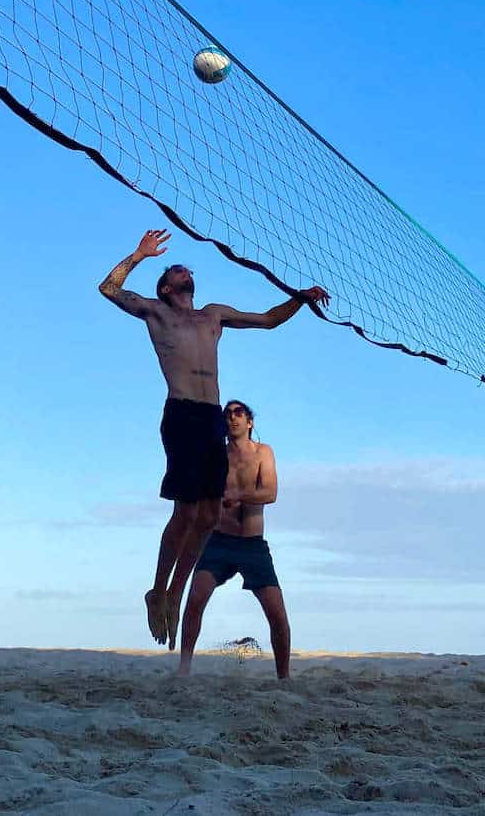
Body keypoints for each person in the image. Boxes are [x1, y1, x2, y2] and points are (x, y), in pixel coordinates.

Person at [98, 229, 328, 649]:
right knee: (186, 512)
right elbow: (109, 288)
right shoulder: (156, 313)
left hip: (210, 419)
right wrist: (139, 254)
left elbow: (269, 320)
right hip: (182, 412)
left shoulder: (213, 315)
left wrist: (302, 298)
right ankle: (157, 589)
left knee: (206, 518)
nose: (185, 269)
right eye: (175, 270)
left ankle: (172, 595)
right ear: (167, 288)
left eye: (186, 268)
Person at [177, 400, 290, 678]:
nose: (232, 418)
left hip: (252, 544)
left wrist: (239, 496)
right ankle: (183, 669)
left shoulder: (263, 453)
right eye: (227, 415)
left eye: (238, 413)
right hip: (218, 540)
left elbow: (270, 493)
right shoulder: (217, 456)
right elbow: (199, 492)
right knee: (195, 600)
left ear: (249, 422)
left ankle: (284, 677)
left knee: (276, 613)